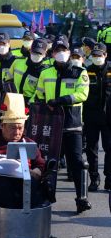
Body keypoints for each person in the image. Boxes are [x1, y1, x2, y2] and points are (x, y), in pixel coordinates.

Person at [35, 35, 91, 213]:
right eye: (57, 50)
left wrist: (61, 100)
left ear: (69, 52)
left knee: (76, 162)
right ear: (52, 53)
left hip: (71, 124)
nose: (61, 53)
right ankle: (43, 197)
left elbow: (82, 95)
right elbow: (39, 95)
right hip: (51, 125)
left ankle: (81, 197)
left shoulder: (79, 72)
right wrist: (42, 107)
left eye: (64, 50)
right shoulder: (45, 72)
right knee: (46, 163)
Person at [0, 93, 46, 209]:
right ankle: (9, 217)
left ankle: (31, 216)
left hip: (24, 180)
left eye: (20, 128)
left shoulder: (29, 143)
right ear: (2, 126)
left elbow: (40, 164)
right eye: (13, 128)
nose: (17, 132)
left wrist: (37, 171)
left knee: (32, 184)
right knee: (3, 183)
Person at [83, 43, 111, 191]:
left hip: (109, 117)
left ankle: (109, 178)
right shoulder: (87, 72)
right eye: (94, 55)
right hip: (91, 116)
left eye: (99, 55)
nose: (97, 58)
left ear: (105, 55)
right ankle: (94, 178)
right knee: (91, 149)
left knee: (110, 148)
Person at [7, 39, 50, 105]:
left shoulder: (45, 71)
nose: (36, 55)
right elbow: (8, 80)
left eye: (39, 53)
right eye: (34, 52)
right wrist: (11, 95)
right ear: (30, 50)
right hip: (13, 100)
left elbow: (40, 92)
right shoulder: (17, 62)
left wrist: (30, 104)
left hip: (30, 105)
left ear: (45, 54)